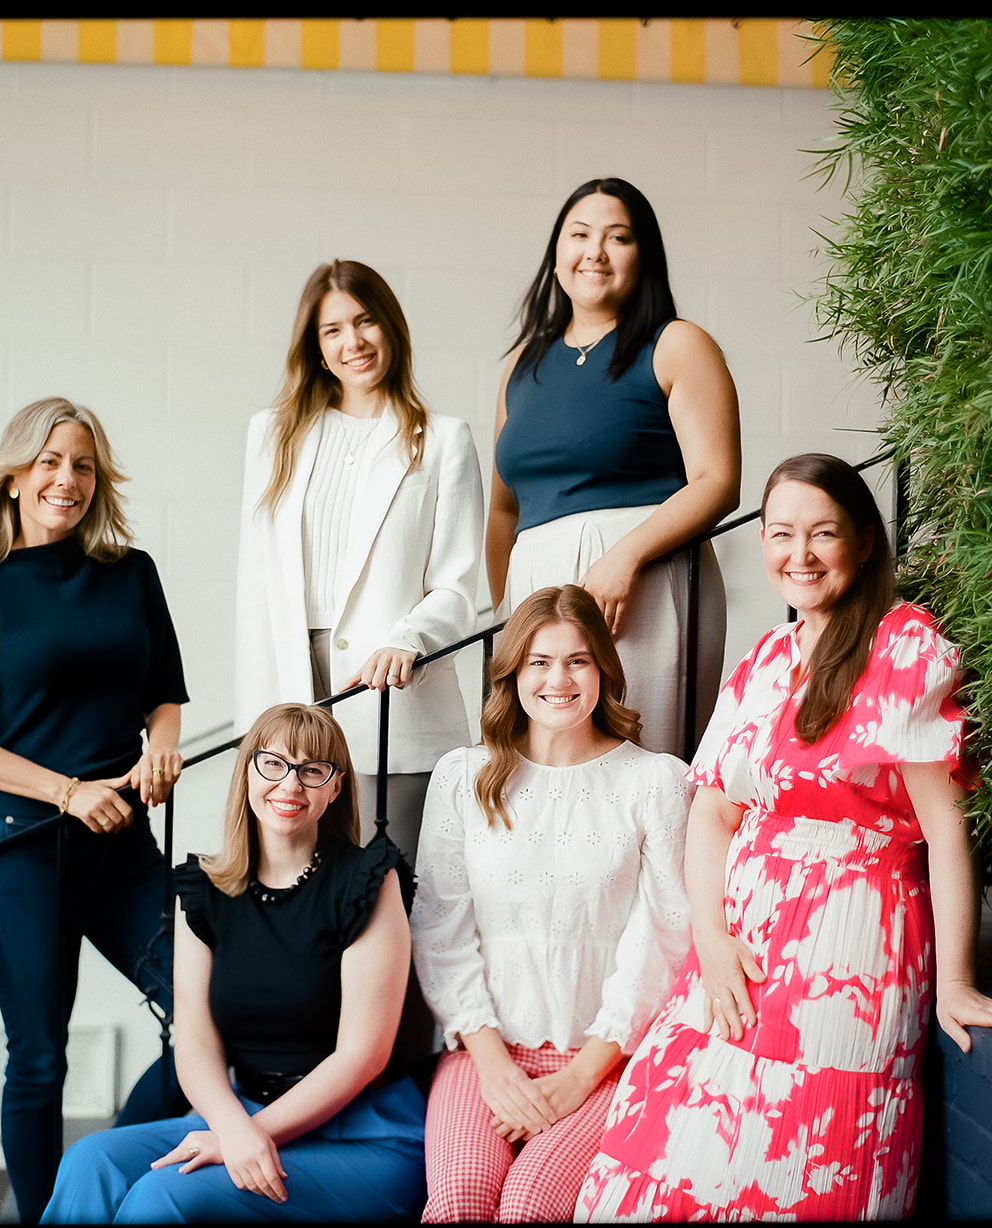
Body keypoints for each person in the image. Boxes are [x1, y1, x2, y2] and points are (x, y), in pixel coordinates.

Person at [575, 454, 992, 1222]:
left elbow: (944, 828)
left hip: (850, 947)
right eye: (781, 533)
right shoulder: (761, 661)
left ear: (864, 541)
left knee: (797, 1157)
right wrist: (714, 938)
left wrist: (955, 982)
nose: (800, 554)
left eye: (822, 533)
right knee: (671, 1143)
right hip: (740, 945)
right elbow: (713, 815)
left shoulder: (903, 647)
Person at [0, 397, 190, 1225]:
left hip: (123, 845)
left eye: (80, 464)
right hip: (21, 846)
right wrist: (68, 792)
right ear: (14, 478)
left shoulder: (130, 572)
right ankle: (47, 1217)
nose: (64, 479)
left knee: (212, 1008)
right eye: (48, 462)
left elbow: (165, 695)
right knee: (39, 1057)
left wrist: (160, 750)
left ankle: (98, 1174)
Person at [40, 703, 427, 1223]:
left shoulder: (370, 879)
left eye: (313, 770)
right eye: (274, 763)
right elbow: (196, 1043)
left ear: (334, 788)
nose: (290, 784)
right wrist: (236, 1128)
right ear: (247, 772)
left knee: (163, 1197)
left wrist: (249, 1135)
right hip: (242, 1115)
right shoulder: (202, 890)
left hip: (364, 1135)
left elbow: (362, 1055)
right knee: (90, 1161)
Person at [411, 585, 692, 1223]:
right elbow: (439, 930)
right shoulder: (462, 778)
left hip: (607, 1061)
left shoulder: (655, 782)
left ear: (604, 670)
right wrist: (494, 1068)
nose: (557, 679)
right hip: (484, 1052)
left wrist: (578, 1077)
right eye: (538, 661)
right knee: (458, 1203)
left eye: (577, 660)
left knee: (531, 1206)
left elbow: (665, 941)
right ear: (513, 673)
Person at [236, 259, 484, 865]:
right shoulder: (272, 435)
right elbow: (256, 587)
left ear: (391, 329)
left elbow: (456, 587)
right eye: (333, 330)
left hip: (392, 697)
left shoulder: (444, 439)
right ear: (316, 349)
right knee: (298, 888)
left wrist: (409, 640)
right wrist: (257, 720)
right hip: (293, 686)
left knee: (390, 891)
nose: (353, 342)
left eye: (366, 321)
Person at [487, 178, 742, 759]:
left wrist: (623, 556)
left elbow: (718, 480)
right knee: (538, 774)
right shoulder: (519, 367)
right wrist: (511, 613)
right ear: (557, 256)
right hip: (535, 596)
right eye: (579, 234)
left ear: (643, 255)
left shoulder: (677, 344)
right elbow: (504, 507)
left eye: (618, 237)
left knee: (642, 763)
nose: (595, 251)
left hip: (643, 586)